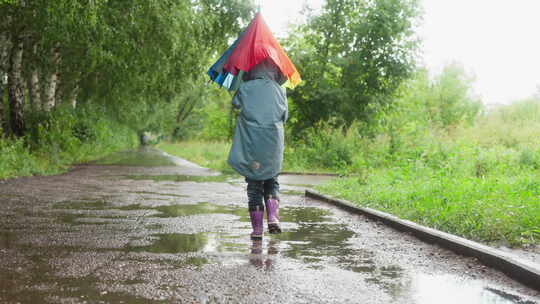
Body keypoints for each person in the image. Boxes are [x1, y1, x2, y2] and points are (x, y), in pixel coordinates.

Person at [228, 58, 288, 240]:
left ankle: (257, 230)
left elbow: (235, 104)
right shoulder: (280, 90)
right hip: (273, 140)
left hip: (251, 141)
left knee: (254, 185)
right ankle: (273, 217)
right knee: (272, 179)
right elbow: (284, 116)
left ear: (252, 70)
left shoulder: (246, 87)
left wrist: (241, 80)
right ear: (275, 70)